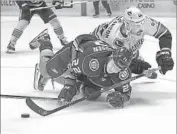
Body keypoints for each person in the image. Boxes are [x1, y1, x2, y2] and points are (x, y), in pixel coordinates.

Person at [32, 32, 156, 108]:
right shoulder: (91, 62)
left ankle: (56, 77)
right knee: (46, 70)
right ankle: (45, 41)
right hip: (76, 51)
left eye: (119, 67)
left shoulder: (123, 74)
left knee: (91, 94)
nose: (114, 68)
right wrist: (69, 88)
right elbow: (71, 72)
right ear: (111, 56)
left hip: (90, 69)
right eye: (114, 63)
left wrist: (121, 99)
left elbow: (126, 93)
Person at [92, 6, 174, 76]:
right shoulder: (113, 37)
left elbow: (165, 34)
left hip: (126, 49)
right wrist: (136, 67)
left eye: (141, 23)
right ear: (127, 25)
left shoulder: (144, 22)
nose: (140, 28)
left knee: (140, 65)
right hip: (96, 47)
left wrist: (165, 54)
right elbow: (114, 64)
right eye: (136, 25)